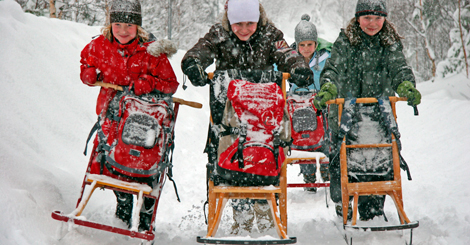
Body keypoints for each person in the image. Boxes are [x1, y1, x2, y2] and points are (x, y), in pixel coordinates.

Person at [181, 0, 312, 234]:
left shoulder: (270, 34)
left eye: (250, 23)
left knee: (263, 155)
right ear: (229, 21)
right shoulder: (219, 34)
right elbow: (200, 50)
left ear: (258, 19)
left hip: (263, 112)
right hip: (229, 115)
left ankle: (264, 209)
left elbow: (286, 53)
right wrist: (193, 63)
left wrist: (297, 67)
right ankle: (240, 213)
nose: (244, 29)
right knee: (232, 157)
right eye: (238, 24)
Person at [314, 0, 421, 221]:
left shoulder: (389, 41)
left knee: (377, 160)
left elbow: (398, 66)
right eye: (367, 18)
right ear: (357, 18)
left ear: (385, 19)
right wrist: (328, 86)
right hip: (346, 113)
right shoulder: (345, 41)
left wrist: (405, 84)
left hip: (379, 113)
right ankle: (343, 199)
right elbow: (332, 68)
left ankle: (372, 210)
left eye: (378, 18)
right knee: (343, 158)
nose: (372, 23)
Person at [80, 0, 179, 231]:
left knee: (145, 165)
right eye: (118, 25)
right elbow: (86, 61)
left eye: (129, 25)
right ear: (110, 24)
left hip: (144, 121)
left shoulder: (151, 51)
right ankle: (123, 206)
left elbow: (171, 85)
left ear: (139, 27)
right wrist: (88, 73)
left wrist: (150, 82)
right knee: (113, 163)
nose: (123, 31)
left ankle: (146, 215)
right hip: (111, 116)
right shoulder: (99, 46)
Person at [289, 14, 333, 192]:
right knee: (303, 136)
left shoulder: (325, 57)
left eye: (310, 44)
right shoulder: (290, 58)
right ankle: (307, 172)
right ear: (297, 45)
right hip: (298, 102)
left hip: (320, 101)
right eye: (302, 45)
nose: (306, 49)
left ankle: (325, 165)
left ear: (316, 43)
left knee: (324, 136)